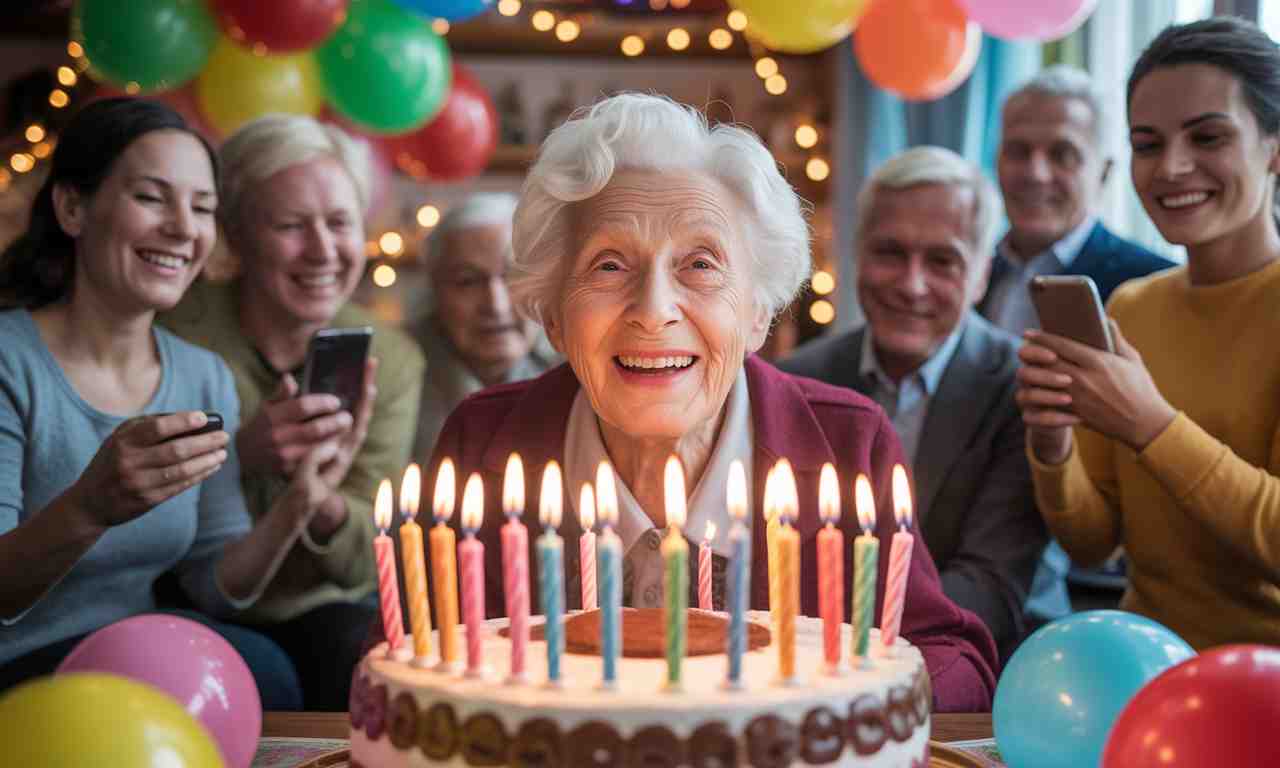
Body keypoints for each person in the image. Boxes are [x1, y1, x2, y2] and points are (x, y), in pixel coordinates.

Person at [408, 94, 997, 711]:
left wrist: (845, 714)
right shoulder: (484, 440)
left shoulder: (847, 444)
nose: (655, 309)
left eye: (699, 264)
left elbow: (950, 660)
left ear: (758, 314)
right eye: (608, 266)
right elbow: (410, 660)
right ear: (553, 317)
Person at [0, 98, 337, 707]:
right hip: (20, 668)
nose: (184, 228)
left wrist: (298, 504)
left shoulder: (204, 376)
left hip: (136, 652)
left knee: (272, 671)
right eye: (153, 198)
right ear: (73, 207)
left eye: (202, 207)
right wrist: (90, 507)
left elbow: (212, 583)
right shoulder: (9, 360)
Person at [1017, 16, 1280, 651]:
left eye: (1208, 136)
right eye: (1147, 143)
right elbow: (1093, 539)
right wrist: (1052, 446)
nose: (1173, 167)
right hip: (1144, 665)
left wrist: (1150, 424)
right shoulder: (1132, 307)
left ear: (1274, 149)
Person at [159, 114, 425, 710]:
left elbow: (365, 558)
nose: (324, 251)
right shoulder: (174, 329)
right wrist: (242, 456)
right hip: (181, 594)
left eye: (339, 223)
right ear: (235, 232)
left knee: (372, 663)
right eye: (290, 226)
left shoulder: (392, 356)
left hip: (317, 603)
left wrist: (321, 499)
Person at [780, 147, 1046, 660]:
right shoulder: (796, 380)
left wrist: (852, 636)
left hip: (986, 670)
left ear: (981, 275)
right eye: (890, 253)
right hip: (819, 663)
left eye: (942, 260)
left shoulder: (1020, 388)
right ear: (857, 255)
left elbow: (991, 588)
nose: (912, 283)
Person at [983, 65, 1177, 622]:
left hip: (1098, 575)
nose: (1034, 172)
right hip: (989, 551)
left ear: (1105, 170)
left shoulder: (1151, 287)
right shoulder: (965, 275)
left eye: (1062, 154)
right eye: (1017, 151)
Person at [411, 193, 557, 459]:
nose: (495, 305)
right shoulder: (398, 376)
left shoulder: (578, 369)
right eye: (467, 281)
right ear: (435, 290)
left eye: (513, 276)